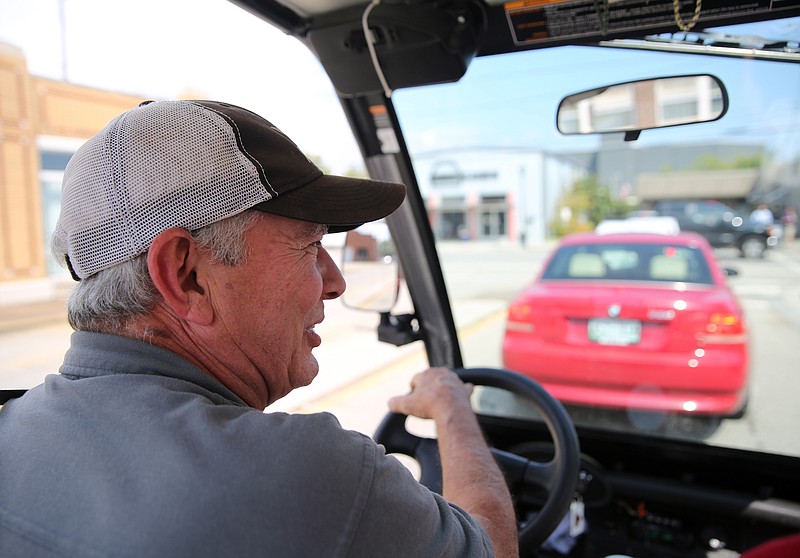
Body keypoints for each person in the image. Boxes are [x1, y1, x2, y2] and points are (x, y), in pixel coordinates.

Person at [0, 100, 518, 557]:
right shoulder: (304, 475)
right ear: (187, 276)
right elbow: (491, 548)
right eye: (309, 247)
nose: (334, 283)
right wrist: (451, 409)